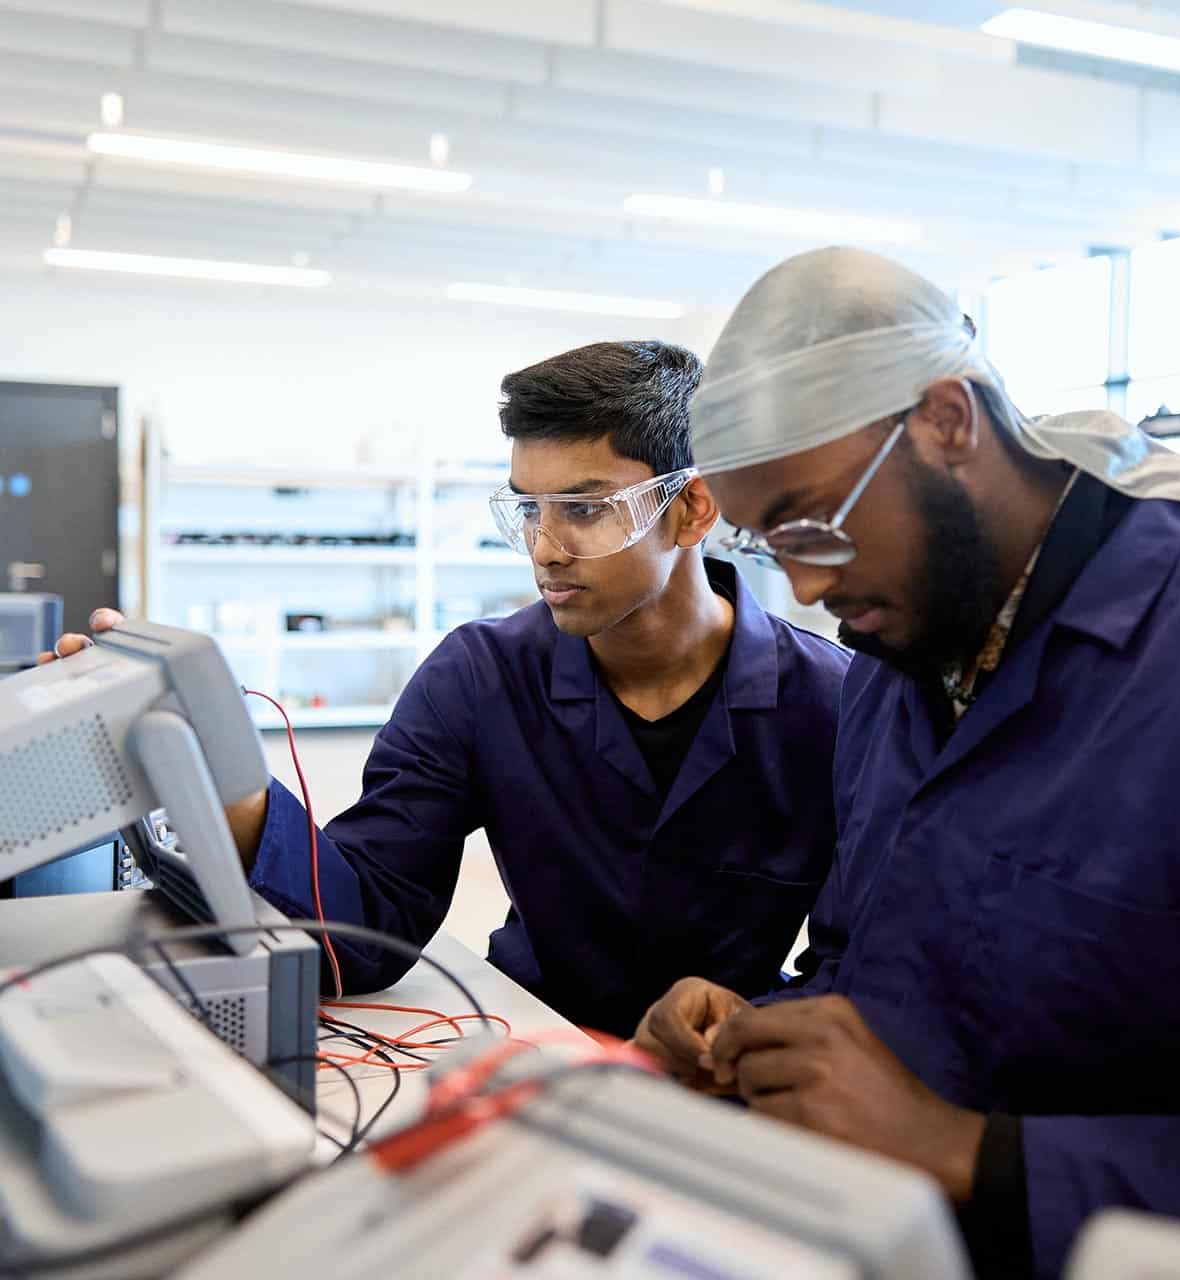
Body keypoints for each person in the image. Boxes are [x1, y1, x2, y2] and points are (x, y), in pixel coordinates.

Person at [633, 249, 1180, 1277]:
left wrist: (966, 1150)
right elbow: (867, 961)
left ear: (945, 420)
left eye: (810, 522)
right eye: (766, 544)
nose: (802, 585)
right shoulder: (898, 662)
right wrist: (771, 1038)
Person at [50, 341, 849, 1038]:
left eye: (584, 509)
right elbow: (367, 923)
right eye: (528, 508)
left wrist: (745, 1036)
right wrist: (221, 779)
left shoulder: (835, 704)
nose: (545, 547)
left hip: (727, 1074)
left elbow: (856, 967)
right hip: (533, 1037)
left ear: (692, 508)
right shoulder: (479, 676)